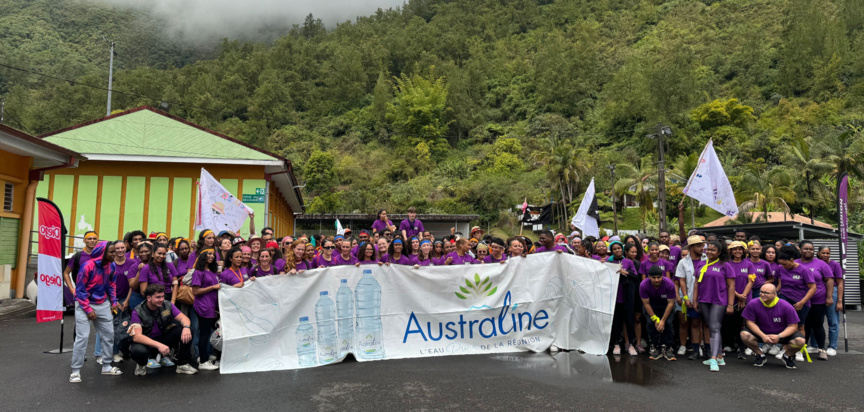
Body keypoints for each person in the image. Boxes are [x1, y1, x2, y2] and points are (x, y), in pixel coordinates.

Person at [70, 241, 121, 382]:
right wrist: (87, 309)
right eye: (111, 252)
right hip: (84, 304)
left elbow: (111, 285)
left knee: (109, 335)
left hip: (102, 303)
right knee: (82, 337)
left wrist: (114, 302)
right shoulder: (87, 266)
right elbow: (80, 290)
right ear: (103, 252)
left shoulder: (111, 265)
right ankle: (75, 371)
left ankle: (106, 366)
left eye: (115, 251)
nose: (115, 254)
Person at [128, 284, 197, 376]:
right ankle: (141, 364)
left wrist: (186, 327)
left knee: (187, 330)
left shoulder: (167, 305)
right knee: (138, 351)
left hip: (163, 339)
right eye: (158, 297)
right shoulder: (138, 311)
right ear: (149, 298)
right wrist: (159, 345)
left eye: (162, 296)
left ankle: (182, 365)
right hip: (147, 342)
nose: (161, 299)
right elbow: (137, 337)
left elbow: (184, 318)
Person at [692, 240, 736, 372]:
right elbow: (696, 284)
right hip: (703, 300)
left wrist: (730, 305)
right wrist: (695, 300)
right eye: (708, 249)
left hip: (719, 300)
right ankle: (720, 357)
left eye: (713, 250)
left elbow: (731, 286)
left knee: (714, 327)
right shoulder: (701, 264)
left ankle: (713, 358)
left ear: (719, 252)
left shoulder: (725, 265)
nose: (709, 252)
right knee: (713, 327)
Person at [740, 284, 806, 369]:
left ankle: (787, 356)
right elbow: (750, 322)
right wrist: (762, 335)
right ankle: (760, 355)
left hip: (781, 334)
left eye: (766, 293)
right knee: (744, 335)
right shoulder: (753, 303)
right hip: (762, 333)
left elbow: (793, 326)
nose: (762, 294)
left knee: (800, 341)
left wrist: (779, 336)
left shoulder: (786, 306)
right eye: (761, 292)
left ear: (775, 294)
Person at [775, 245, 815, 363]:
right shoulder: (781, 268)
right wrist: (774, 293)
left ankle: (799, 350)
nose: (783, 266)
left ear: (791, 260)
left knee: (800, 326)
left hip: (801, 301)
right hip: (784, 299)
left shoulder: (804, 270)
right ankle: (785, 349)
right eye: (781, 264)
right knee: (785, 326)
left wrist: (802, 302)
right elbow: (780, 283)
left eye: (785, 263)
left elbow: (813, 288)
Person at [796, 241, 834, 361]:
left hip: (818, 300)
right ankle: (801, 349)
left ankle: (822, 350)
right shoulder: (795, 263)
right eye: (806, 249)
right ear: (800, 250)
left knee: (817, 325)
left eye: (811, 249)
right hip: (800, 301)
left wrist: (829, 297)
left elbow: (829, 280)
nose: (808, 251)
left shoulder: (821, 264)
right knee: (803, 325)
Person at [676, 235, 707, 359]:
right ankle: (692, 347)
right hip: (689, 295)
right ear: (691, 247)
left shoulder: (707, 259)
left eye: (702, 245)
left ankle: (700, 346)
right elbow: (682, 280)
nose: (702, 248)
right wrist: (685, 297)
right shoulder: (683, 262)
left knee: (701, 323)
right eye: (699, 246)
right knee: (691, 322)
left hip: (704, 296)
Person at [191, 249, 221, 371]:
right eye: (209, 254)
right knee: (204, 333)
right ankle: (203, 361)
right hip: (203, 306)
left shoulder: (212, 271)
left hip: (211, 305)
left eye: (213, 254)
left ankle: (205, 356)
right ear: (202, 256)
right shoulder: (198, 272)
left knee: (207, 332)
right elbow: (195, 291)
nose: (211, 256)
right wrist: (213, 287)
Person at [608, 241, 639, 356]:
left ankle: (631, 344)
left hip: (627, 296)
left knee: (629, 321)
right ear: (612, 251)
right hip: (615, 297)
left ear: (622, 249)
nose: (617, 250)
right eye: (614, 249)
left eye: (619, 248)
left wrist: (625, 272)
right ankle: (616, 344)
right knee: (616, 322)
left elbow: (635, 276)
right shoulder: (609, 263)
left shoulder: (628, 262)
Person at [640, 266, 678, 361]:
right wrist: (655, 319)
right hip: (652, 306)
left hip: (666, 305)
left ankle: (668, 347)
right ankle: (655, 346)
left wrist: (663, 320)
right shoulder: (643, 285)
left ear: (662, 276)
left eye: (659, 277)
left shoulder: (669, 284)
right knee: (651, 323)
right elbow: (646, 303)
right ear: (649, 277)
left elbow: (671, 303)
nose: (657, 280)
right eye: (654, 277)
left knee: (668, 323)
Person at [725, 241, 755, 358]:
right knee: (730, 322)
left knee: (744, 323)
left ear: (744, 251)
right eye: (735, 249)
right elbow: (726, 283)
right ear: (731, 251)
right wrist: (737, 295)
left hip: (746, 298)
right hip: (731, 298)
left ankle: (742, 348)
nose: (737, 251)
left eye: (740, 249)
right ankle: (730, 344)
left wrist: (743, 296)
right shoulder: (727, 264)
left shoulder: (749, 264)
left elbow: (751, 281)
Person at [817, 246, 843, 356]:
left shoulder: (835, 265)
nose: (825, 255)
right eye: (823, 253)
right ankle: (815, 345)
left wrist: (839, 301)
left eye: (828, 253)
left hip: (833, 292)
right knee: (816, 320)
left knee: (833, 321)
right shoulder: (815, 263)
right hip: (818, 292)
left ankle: (832, 346)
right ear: (818, 253)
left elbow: (840, 283)